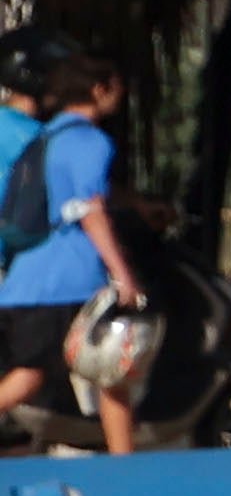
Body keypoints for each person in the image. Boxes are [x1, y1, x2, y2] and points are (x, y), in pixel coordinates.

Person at [0, 37, 146, 456]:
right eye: (116, 87)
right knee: (30, 375)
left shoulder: (44, 137)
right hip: (63, 282)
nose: (120, 96)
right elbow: (90, 210)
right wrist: (122, 273)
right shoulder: (88, 141)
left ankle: (124, 463)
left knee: (110, 369)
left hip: (30, 278)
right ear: (99, 89)